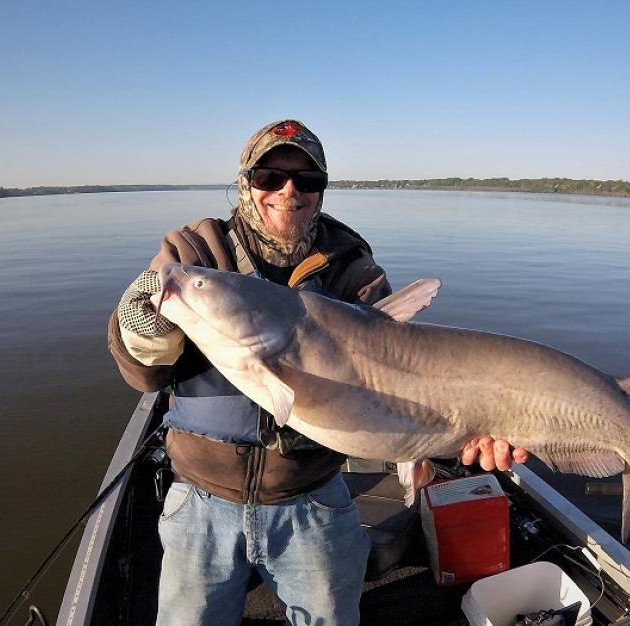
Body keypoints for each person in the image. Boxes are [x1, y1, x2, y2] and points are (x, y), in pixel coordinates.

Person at [108, 119, 528, 626]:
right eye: (270, 176)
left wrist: (465, 431)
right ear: (245, 182)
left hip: (312, 497)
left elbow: (400, 383)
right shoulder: (195, 253)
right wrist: (142, 321)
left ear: (321, 191)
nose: (289, 191)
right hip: (202, 498)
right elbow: (144, 376)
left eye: (307, 180)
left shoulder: (354, 270)